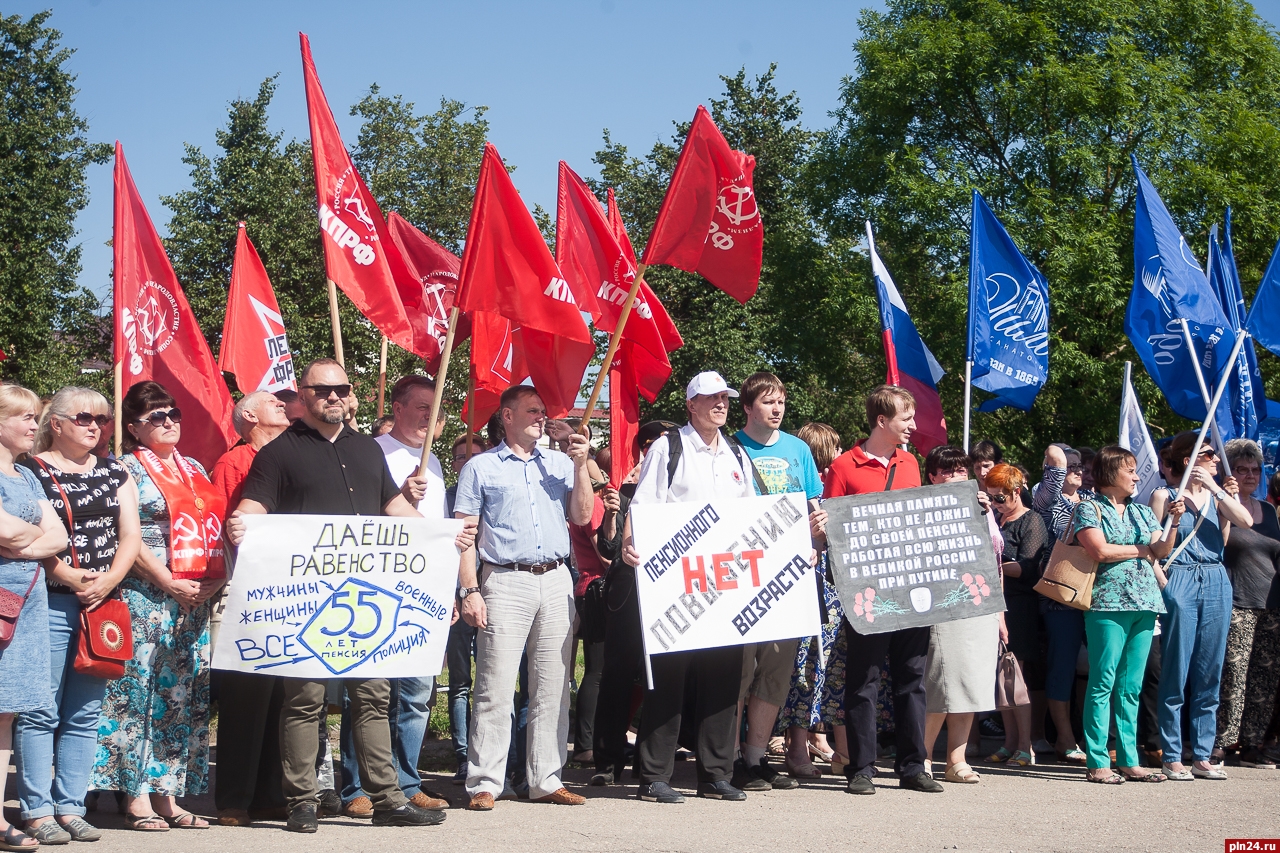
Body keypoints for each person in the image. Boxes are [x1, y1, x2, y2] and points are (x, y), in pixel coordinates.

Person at [227, 359, 472, 832]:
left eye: (341, 389)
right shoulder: (279, 453)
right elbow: (255, 503)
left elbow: (394, 506)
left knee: (375, 695)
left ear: (352, 394)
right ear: (305, 395)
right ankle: (301, 801)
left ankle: (385, 798)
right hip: (305, 597)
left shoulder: (366, 449)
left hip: (366, 595)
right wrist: (244, 519)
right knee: (305, 699)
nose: (333, 397)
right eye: (323, 390)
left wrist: (438, 539)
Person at [91, 381, 225, 830]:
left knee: (180, 695)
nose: (169, 423)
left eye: (173, 415)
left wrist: (211, 579)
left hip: (192, 600)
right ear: (133, 427)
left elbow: (213, 528)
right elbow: (124, 534)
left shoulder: (192, 467)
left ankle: (168, 793)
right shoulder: (124, 469)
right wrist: (168, 581)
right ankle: (136, 797)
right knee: (139, 694)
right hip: (145, 594)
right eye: (157, 417)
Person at [618, 373, 756, 804]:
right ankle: (655, 775)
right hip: (676, 582)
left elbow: (753, 512)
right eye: (711, 398)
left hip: (726, 582)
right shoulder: (669, 446)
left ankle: (715, 773)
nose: (720, 404)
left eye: (725, 398)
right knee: (669, 678)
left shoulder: (736, 452)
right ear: (690, 404)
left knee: (722, 678)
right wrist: (629, 542)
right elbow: (645, 506)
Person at [454, 384, 593, 811]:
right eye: (532, 410)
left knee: (554, 685)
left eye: (543, 411)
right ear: (507, 416)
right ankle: (485, 781)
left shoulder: (559, 464)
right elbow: (465, 536)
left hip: (554, 578)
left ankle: (545, 778)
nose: (540, 417)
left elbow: (583, 516)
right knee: (494, 685)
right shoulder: (480, 468)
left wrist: (583, 466)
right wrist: (470, 590)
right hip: (504, 579)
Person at [16, 388, 141, 843]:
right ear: (57, 423)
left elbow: (130, 535)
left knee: (85, 710)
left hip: (103, 601)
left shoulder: (114, 470)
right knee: (39, 710)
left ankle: (70, 805)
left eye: (104, 419)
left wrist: (107, 581)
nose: (96, 426)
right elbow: (34, 535)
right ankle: (37, 809)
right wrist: (71, 577)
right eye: (86, 418)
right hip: (49, 599)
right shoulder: (32, 470)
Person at [822, 385, 941, 795]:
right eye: (906, 418)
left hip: (911, 588)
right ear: (881, 421)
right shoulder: (843, 467)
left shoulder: (911, 463)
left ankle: (913, 765)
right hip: (867, 592)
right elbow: (830, 530)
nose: (912, 425)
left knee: (912, 677)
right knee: (864, 679)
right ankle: (862, 767)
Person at [356, 375, 451, 812]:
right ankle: (357, 787)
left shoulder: (433, 462)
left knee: (415, 693)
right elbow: (353, 516)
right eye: (420, 407)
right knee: (371, 691)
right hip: (378, 586)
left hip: (424, 586)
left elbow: (440, 532)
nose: (428, 418)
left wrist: (450, 587)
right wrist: (395, 499)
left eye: (434, 410)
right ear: (396, 407)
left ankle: (408, 782)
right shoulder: (371, 452)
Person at [731, 372, 823, 791]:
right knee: (738, 670)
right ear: (748, 408)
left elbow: (812, 505)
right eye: (768, 402)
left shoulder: (798, 449)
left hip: (789, 578)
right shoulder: (728, 448)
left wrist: (817, 532)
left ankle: (756, 757)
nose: (777, 409)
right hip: (741, 574)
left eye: (781, 402)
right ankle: (727, 756)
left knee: (776, 669)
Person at [207, 391, 292, 826]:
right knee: (243, 696)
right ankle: (235, 799)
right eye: (275, 403)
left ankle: (269, 794)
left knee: (279, 695)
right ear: (250, 415)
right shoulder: (233, 462)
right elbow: (222, 526)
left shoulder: (292, 454)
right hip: (246, 592)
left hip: (289, 593)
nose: (285, 407)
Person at [1075, 445, 1181, 783]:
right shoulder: (1089, 509)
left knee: (1131, 687)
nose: (1137, 476)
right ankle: (1097, 761)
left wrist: (1174, 522)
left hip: (1145, 603)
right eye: (1130, 470)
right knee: (1103, 681)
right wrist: (1142, 550)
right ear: (1110, 474)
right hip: (1106, 603)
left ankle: (1129, 759)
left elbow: (1161, 548)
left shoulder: (1142, 512)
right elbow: (1100, 550)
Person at [1152, 431, 1253, 780]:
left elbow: (1244, 523)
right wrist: (1165, 583)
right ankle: (1172, 753)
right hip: (1180, 575)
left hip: (1215, 577)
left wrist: (1217, 490)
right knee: (1176, 669)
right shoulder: (1164, 494)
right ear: (1188, 459)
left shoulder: (1217, 494)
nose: (1215, 459)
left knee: (1210, 669)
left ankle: (1203, 753)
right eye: (1208, 454)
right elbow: (1154, 547)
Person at [590, 420, 677, 788]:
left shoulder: (682, 489)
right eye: (654, 443)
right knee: (618, 674)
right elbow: (608, 548)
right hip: (630, 591)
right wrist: (611, 515)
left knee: (662, 676)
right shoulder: (625, 490)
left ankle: (650, 762)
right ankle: (607, 761)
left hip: (672, 590)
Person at [0, 384, 67, 851]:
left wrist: (20, 543)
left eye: (35, 416)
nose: (33, 425)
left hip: (26, 602)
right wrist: (23, 537)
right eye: (24, 417)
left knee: (6, 712)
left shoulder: (26, 475)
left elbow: (57, 536)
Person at [921, 446, 1001, 784]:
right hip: (942, 603)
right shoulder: (923, 508)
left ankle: (957, 759)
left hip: (981, 604)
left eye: (961, 470)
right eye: (948, 471)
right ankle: (921, 757)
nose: (957, 477)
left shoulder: (981, 506)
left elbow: (994, 558)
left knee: (972, 681)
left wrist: (1000, 614)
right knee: (942, 680)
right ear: (933, 476)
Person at [776, 422, 848, 778]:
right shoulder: (800, 490)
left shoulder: (833, 491)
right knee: (802, 665)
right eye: (834, 447)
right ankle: (795, 744)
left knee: (823, 667)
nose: (840, 454)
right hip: (799, 583)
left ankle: (815, 737)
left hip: (830, 588)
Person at [1220, 440, 1280, 767]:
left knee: (1265, 678)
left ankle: (1253, 744)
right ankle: (1224, 742)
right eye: (1241, 469)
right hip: (1237, 600)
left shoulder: (1269, 510)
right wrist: (1228, 500)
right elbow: (1222, 543)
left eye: (1255, 470)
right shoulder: (1222, 507)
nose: (1250, 475)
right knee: (1234, 674)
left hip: (1272, 603)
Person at [984, 463, 1049, 767]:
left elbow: (1026, 567)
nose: (996, 503)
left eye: (1000, 498)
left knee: (1016, 678)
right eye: (991, 497)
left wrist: (990, 565)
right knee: (1000, 680)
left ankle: (1026, 745)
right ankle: (1010, 742)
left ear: (1017, 492)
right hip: (995, 604)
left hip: (1020, 607)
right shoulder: (994, 520)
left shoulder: (1032, 521)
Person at [1031, 443, 1090, 763]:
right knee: (1062, 668)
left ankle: (1086, 734)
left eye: (1081, 465)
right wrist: (1059, 459)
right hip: (1060, 599)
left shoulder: (1094, 500)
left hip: (1095, 596)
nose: (1077, 470)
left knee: (1092, 670)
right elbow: (1053, 454)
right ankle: (1064, 739)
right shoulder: (1046, 497)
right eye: (1072, 466)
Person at [444, 433, 489, 784]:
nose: (468, 462)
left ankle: (493, 752)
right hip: (454, 598)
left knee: (494, 678)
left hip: (491, 593)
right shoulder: (444, 498)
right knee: (460, 682)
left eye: (475, 455)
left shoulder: (490, 495)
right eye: (461, 457)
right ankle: (462, 753)